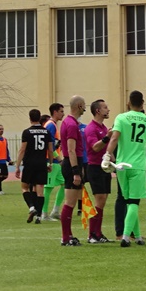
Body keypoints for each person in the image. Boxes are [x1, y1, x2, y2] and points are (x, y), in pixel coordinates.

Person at [103, 90, 146, 247]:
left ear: (128, 103)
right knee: (133, 202)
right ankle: (125, 236)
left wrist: (107, 154)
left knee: (128, 200)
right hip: (138, 165)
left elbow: (115, 137)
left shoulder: (121, 117)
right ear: (142, 103)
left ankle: (137, 236)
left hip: (121, 165)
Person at [14, 109, 53, 224]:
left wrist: (17, 166)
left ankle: (31, 207)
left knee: (25, 187)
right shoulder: (46, 132)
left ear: (30, 118)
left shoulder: (27, 132)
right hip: (41, 163)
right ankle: (39, 216)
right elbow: (50, 150)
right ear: (39, 118)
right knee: (40, 191)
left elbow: (22, 150)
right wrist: (50, 163)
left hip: (29, 163)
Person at [58, 96, 86, 245]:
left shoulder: (68, 122)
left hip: (71, 163)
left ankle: (68, 235)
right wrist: (76, 171)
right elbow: (71, 149)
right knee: (70, 202)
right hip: (71, 163)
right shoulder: (72, 124)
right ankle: (65, 237)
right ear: (80, 106)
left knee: (71, 202)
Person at [83, 99, 113, 243]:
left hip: (104, 167)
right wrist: (108, 137)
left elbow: (107, 149)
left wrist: (113, 160)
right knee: (99, 200)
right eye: (105, 108)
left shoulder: (104, 127)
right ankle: (91, 234)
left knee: (103, 201)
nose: (108, 110)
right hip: (95, 167)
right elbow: (95, 147)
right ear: (97, 111)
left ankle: (98, 233)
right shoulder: (91, 128)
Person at [41, 103, 65, 221]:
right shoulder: (50, 125)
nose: (63, 114)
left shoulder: (53, 125)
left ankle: (55, 210)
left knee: (65, 184)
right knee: (48, 187)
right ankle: (44, 213)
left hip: (55, 161)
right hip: (51, 161)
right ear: (55, 112)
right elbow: (49, 145)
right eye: (61, 111)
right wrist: (58, 158)